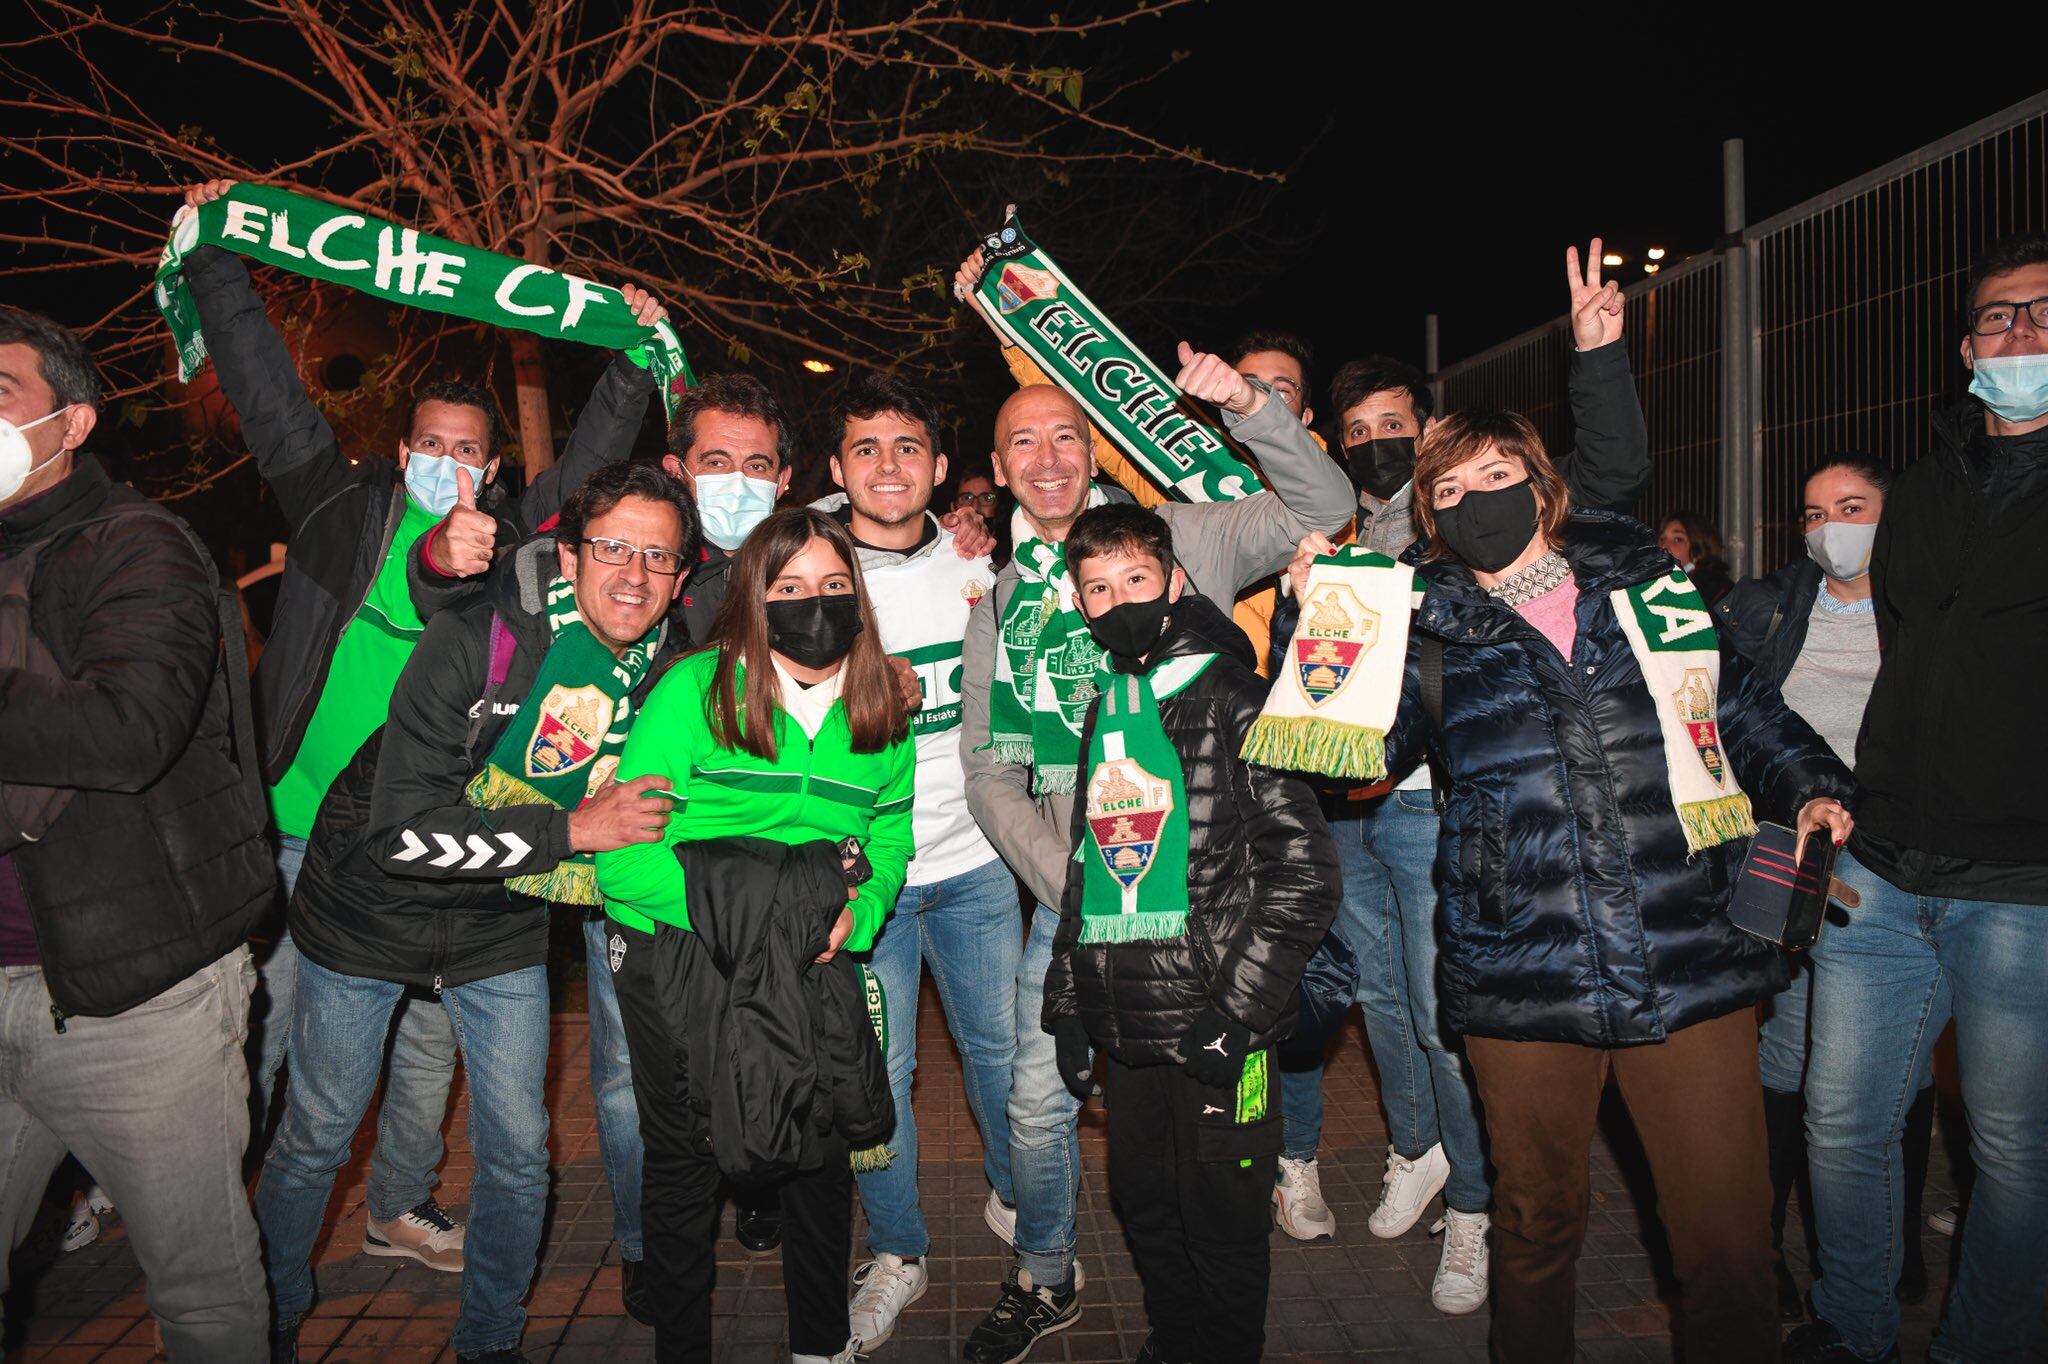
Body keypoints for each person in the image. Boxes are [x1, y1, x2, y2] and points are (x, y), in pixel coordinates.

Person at [175, 177, 663, 1270]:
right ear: (404, 454)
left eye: (467, 451)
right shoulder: (337, 512)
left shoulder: (518, 550)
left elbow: (589, 472)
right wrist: (215, 261)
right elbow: (266, 396)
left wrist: (632, 358)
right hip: (307, 836)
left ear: (490, 469)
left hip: (440, 844)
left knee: (433, 1051)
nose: (448, 463)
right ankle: (212, 1224)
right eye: (428, 444)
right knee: (276, 1049)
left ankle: (396, 1202)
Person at [1348, 408, 1854, 1364]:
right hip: (1520, 965)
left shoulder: (1646, 590)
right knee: (1536, 1227)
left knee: (1726, 1238)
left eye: (1494, 476)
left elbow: (1740, 704)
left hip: (1688, 950)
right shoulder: (1422, 626)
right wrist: (1323, 629)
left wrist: (1812, 788)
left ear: (1542, 487)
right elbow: (1353, 764)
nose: (1473, 503)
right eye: (1447, 492)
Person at [957, 230, 1355, 1363]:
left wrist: (1250, 410)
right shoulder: (994, 595)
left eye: (1063, 435)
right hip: (1075, 879)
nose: (1044, 456)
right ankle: (1046, 1276)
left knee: (1208, 1164)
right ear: (996, 465)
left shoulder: (1184, 535)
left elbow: (1321, 500)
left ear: (1096, 447)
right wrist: (1075, 883)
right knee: (1063, 1115)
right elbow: (985, 765)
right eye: (1018, 441)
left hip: (1220, 879)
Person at [1270, 243, 1651, 1318]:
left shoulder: (1458, 553)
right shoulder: (1347, 539)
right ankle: (1421, 1153)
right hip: (1358, 808)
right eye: (1359, 435)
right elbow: (1333, 712)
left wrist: (1597, 358)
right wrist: (1310, 610)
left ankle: (1475, 1207)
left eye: (1398, 427)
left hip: (1442, 812)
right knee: (1386, 1001)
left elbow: (1610, 485)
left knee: (1446, 1016)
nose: (1379, 445)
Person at [259, 462, 697, 1364]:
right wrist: (573, 831)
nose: (634, 576)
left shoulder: (667, 671)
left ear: (682, 578)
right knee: (319, 1134)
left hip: (501, 920)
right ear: (569, 556)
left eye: (658, 558)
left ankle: (491, 1336)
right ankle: (269, 1307)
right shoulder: (480, 637)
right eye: (613, 548)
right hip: (369, 911)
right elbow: (401, 838)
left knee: (520, 1148)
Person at [1784, 233, 2048, 1364]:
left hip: (2023, 889)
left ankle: (1977, 1344)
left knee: (2013, 1151)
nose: (2020, 335)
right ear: (1964, 347)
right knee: (1840, 1124)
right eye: (1998, 317)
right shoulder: (1926, 488)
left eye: (2041, 314)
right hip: (1879, 874)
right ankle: (1851, 1330)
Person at [0, 306, 275, 1360]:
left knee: (200, 1294)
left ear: (71, 423)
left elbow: (128, 730)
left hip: (137, 997)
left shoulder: (140, 545)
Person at [597, 507, 912, 1364]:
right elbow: (624, 862)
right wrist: (777, 914)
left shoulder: (883, 700)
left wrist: (863, 913)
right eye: (790, 588)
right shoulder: (695, 691)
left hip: (814, 950)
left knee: (819, 1146)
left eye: (834, 586)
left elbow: (889, 838)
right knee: (688, 1156)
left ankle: (820, 1343)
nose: (815, 603)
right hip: (678, 952)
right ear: (753, 597)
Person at [1043, 504, 1338, 1364]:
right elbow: (1087, 868)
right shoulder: (1110, 706)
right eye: (1096, 589)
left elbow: (1306, 874)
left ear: (1174, 583)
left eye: (1135, 579)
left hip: (1220, 1027)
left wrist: (1239, 1015)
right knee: (1146, 1205)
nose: (1117, 600)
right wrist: (1068, 1002)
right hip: (1127, 1022)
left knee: (1226, 1221)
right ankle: (1175, 1343)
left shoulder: (1237, 698)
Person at [809, 375, 1017, 1354]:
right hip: (866, 879)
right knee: (875, 1073)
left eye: (905, 447)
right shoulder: (805, 568)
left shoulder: (983, 562)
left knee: (1001, 1056)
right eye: (863, 447)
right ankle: (896, 1248)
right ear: (835, 467)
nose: (885, 465)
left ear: (939, 467)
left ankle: (1018, 1193)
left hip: (976, 864)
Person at [1714, 455, 1938, 1318]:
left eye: (1852, 508)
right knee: (1788, 1050)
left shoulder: (1929, 613)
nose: (1830, 529)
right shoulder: (1765, 610)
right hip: (1796, 862)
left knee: (1896, 1067)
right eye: (1813, 514)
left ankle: (1889, 1242)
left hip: (1893, 863)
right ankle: (1765, 1242)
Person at [1657, 511, 1733, 604]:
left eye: (1678, 539)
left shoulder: (1713, 591)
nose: (1664, 546)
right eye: (1662, 539)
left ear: (1700, 547)